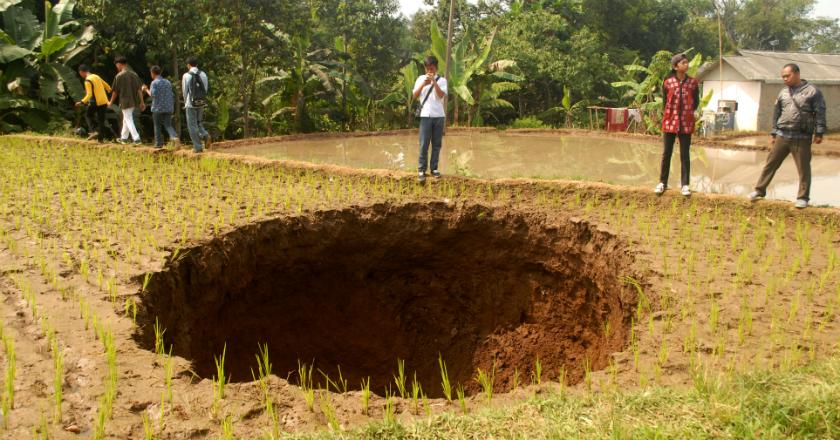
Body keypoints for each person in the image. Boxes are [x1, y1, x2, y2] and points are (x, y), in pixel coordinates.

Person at [749, 63, 826, 209]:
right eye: (783, 77)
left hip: (802, 136)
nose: (785, 79)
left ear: (797, 74)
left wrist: (819, 132)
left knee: (803, 169)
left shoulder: (812, 92)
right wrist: (773, 132)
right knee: (770, 164)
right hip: (783, 134)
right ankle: (759, 190)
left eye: (787, 76)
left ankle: (802, 197)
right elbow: (777, 113)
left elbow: (820, 112)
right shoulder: (783, 93)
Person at [655, 53, 700, 197]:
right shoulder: (668, 82)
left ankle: (685, 185)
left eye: (687, 62)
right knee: (666, 153)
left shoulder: (693, 83)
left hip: (686, 122)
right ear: (676, 66)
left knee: (685, 154)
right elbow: (664, 102)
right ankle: (662, 182)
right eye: (683, 63)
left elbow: (696, 102)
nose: (686, 65)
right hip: (670, 122)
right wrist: (670, 114)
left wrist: (687, 112)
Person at [413, 55, 448, 183]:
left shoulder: (442, 81)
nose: (429, 71)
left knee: (437, 145)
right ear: (424, 68)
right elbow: (414, 95)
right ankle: (421, 170)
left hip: (439, 116)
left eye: (431, 69)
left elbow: (441, 95)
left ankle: (434, 169)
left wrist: (434, 82)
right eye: (427, 69)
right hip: (425, 116)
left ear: (436, 67)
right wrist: (424, 83)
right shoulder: (420, 79)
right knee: (424, 144)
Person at [108, 56, 144, 144]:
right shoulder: (134, 75)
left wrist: (111, 102)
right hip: (134, 101)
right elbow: (139, 89)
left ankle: (137, 139)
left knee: (128, 119)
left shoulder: (119, 76)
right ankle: (123, 138)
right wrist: (142, 101)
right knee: (126, 118)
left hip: (125, 101)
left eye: (117, 65)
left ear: (119, 64)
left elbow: (115, 92)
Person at [75, 64, 114, 142]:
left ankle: (93, 131)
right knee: (101, 120)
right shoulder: (96, 76)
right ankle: (101, 139)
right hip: (104, 101)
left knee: (88, 115)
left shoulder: (87, 80)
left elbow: (89, 94)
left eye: (80, 74)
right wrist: (110, 91)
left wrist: (81, 102)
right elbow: (107, 86)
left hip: (95, 102)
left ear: (82, 72)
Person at [143, 65, 179, 148]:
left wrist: (145, 89)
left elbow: (153, 95)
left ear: (152, 73)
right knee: (168, 125)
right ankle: (174, 137)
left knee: (157, 126)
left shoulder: (154, 82)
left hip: (158, 108)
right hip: (169, 107)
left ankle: (159, 144)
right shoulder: (167, 82)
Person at [182, 57, 210, 153]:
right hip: (201, 102)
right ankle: (205, 134)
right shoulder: (203, 74)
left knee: (192, 125)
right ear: (197, 65)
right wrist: (202, 100)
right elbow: (205, 89)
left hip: (191, 104)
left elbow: (185, 91)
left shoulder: (186, 75)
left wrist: (186, 102)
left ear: (188, 65)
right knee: (199, 122)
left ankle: (198, 147)